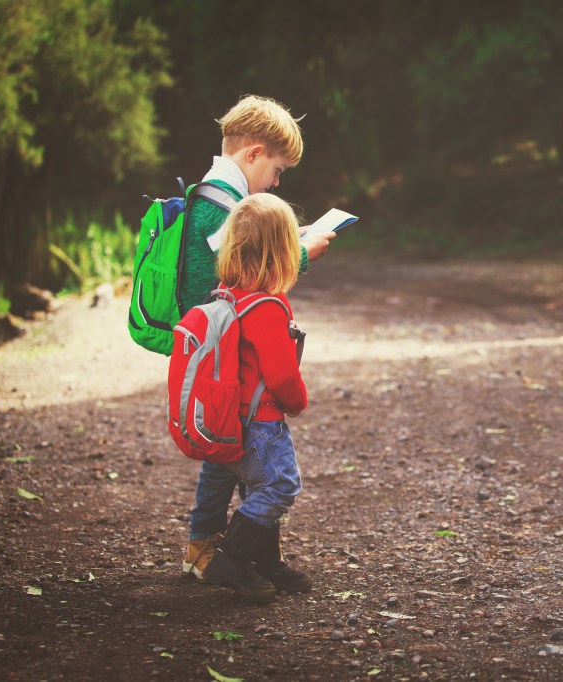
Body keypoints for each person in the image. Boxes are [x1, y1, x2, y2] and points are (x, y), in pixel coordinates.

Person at [180, 94, 333, 588]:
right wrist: (301, 255)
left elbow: (241, 267)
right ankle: (212, 554)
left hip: (229, 366)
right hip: (236, 380)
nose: (277, 180)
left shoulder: (221, 200)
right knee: (246, 473)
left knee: (238, 472)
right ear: (253, 154)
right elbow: (246, 281)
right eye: (278, 170)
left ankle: (247, 558)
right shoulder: (221, 204)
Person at [199, 192, 311, 600]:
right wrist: (297, 402)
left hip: (232, 415)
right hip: (260, 421)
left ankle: (265, 562)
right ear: (283, 253)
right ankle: (228, 558)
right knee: (279, 485)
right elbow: (281, 374)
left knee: (254, 486)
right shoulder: (265, 307)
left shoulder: (229, 293)